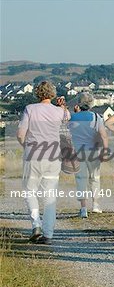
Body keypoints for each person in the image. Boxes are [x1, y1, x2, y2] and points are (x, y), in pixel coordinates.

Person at [17, 81, 69, 245]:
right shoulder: (58, 112)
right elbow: (67, 117)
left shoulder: (30, 109)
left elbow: (20, 134)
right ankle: (48, 234)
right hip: (53, 157)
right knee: (49, 196)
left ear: (37, 93)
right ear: (52, 94)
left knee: (30, 191)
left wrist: (26, 146)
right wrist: (62, 106)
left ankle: (36, 225)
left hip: (33, 155)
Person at [68, 92, 109, 218]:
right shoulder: (97, 117)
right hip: (94, 151)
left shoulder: (73, 118)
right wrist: (105, 151)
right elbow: (103, 135)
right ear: (91, 103)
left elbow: (69, 135)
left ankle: (83, 208)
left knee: (81, 179)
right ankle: (96, 205)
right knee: (94, 178)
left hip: (78, 152)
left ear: (79, 104)